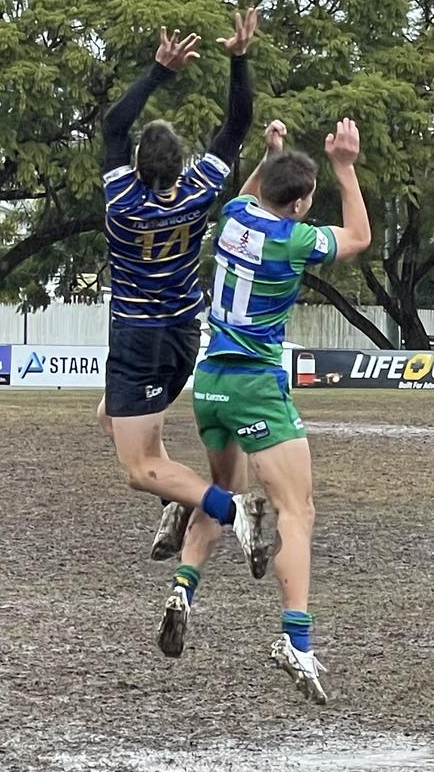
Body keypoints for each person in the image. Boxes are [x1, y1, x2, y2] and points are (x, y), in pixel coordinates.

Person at [157, 117, 371, 705]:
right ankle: (295, 638)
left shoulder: (233, 220)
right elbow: (358, 240)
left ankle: (183, 589)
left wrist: (270, 154)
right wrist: (345, 168)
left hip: (210, 383)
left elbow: (249, 194)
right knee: (296, 511)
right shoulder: (293, 238)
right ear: (299, 203)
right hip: (256, 384)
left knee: (222, 487)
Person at [97, 11, 270, 575]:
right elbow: (236, 124)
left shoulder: (123, 202)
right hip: (181, 333)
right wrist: (239, 58)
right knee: (109, 414)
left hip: (138, 338)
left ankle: (229, 506)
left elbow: (112, 127)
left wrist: (157, 72)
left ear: (138, 166)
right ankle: (179, 499)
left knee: (138, 467)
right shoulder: (198, 192)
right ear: (179, 164)